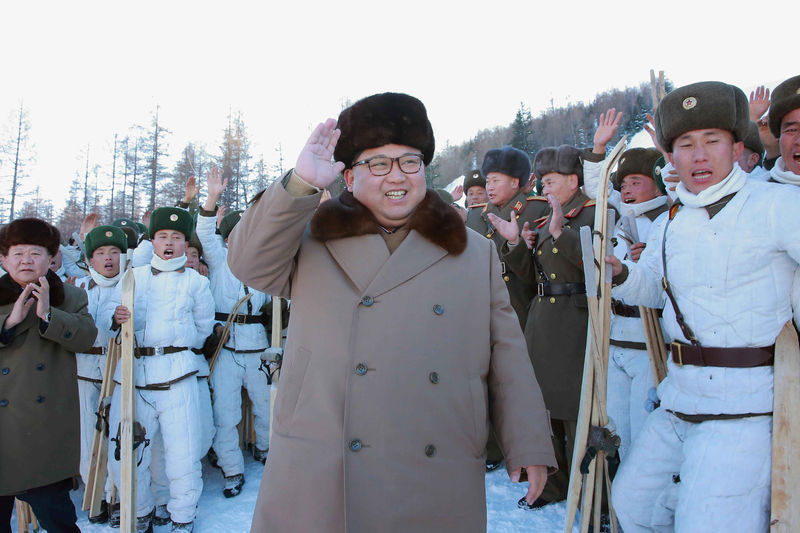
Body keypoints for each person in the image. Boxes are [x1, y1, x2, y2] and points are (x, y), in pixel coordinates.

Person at [226, 92, 556, 533]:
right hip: (326, 460)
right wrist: (302, 182)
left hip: (437, 461)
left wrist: (529, 441)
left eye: (409, 161)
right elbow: (247, 263)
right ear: (348, 177)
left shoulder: (473, 253)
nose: (395, 176)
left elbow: (507, 354)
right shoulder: (310, 241)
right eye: (378, 163)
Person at [608, 81, 800, 533]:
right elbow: (653, 289)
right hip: (679, 400)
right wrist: (619, 275)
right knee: (633, 504)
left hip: (745, 412)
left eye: (711, 141)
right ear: (670, 157)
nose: (698, 156)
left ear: (736, 147)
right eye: (685, 145)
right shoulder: (674, 220)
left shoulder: (777, 206)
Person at [490, 144, 597, 508]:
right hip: (543, 319)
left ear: (573, 179)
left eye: (549, 182)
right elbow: (526, 274)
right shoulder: (545, 217)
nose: (544, 190)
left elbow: (599, 271)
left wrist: (561, 232)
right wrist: (517, 242)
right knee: (544, 406)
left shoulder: (591, 213)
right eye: (543, 183)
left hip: (576, 320)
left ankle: (590, 490)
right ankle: (552, 486)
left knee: (575, 410)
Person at [105, 206, 215, 533]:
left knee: (182, 452)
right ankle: (141, 510)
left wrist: (174, 346)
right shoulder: (132, 278)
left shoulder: (195, 282)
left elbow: (203, 328)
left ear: (185, 243)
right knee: (131, 451)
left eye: (177, 237)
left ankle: (182, 515)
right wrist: (117, 321)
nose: (169, 243)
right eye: (163, 236)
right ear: (152, 241)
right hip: (134, 377)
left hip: (177, 376)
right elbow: (109, 321)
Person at [0, 218, 97, 533]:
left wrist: (48, 315)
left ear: (51, 257)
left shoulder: (70, 296)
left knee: (59, 523)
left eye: (35, 253)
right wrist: (9, 322)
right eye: (18, 253)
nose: (26, 260)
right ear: (4, 259)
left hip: (44, 436)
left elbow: (86, 336)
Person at [194, 168, 272, 498]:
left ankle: (268, 453)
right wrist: (211, 198)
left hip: (258, 349)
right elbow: (202, 230)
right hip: (225, 348)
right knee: (225, 413)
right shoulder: (218, 258)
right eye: (235, 233)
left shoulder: (266, 264)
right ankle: (231, 468)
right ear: (226, 238)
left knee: (267, 407)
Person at [74, 224, 129, 523]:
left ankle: (119, 495)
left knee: (117, 437)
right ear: (90, 259)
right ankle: (96, 495)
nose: (108, 258)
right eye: (100, 253)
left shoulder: (131, 285)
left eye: (114, 252)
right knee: (89, 437)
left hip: (117, 369)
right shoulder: (77, 287)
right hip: (85, 370)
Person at [466, 145, 548, 329]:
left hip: (520, 300)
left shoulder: (538, 210)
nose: (490, 187)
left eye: (495, 180)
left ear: (514, 182)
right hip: (482, 302)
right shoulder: (475, 215)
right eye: (488, 181)